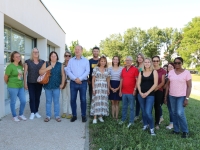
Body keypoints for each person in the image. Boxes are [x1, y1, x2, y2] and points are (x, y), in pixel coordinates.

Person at [165, 57, 192, 138]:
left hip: (181, 96)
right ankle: (176, 130)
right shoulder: (171, 72)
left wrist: (187, 98)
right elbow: (167, 85)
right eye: (175, 63)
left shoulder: (186, 73)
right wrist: (165, 97)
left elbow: (189, 86)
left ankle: (185, 131)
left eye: (179, 63)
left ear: (182, 63)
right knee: (174, 113)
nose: (177, 64)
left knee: (180, 113)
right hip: (172, 96)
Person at [39, 51, 65, 122]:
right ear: (50, 57)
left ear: (57, 57)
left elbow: (63, 75)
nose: (53, 57)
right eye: (52, 56)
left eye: (55, 56)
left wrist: (62, 84)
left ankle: (57, 116)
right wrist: (48, 68)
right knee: (48, 101)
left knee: (56, 101)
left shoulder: (60, 64)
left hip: (56, 86)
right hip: (48, 86)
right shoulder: (46, 63)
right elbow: (40, 72)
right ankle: (48, 116)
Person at [66, 45, 90, 122]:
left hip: (83, 83)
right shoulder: (71, 60)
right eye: (75, 49)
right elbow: (68, 71)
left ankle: (83, 115)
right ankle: (74, 115)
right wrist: (75, 79)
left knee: (83, 99)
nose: (77, 51)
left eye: (78, 49)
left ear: (81, 51)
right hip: (73, 83)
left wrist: (80, 79)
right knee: (73, 99)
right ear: (74, 51)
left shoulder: (86, 60)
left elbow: (87, 71)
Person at [137, 58, 158, 136]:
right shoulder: (141, 72)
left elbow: (155, 84)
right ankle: (145, 125)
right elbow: (138, 83)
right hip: (141, 94)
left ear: (151, 63)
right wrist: (140, 92)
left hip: (150, 95)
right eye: (145, 62)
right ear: (143, 63)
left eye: (148, 62)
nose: (147, 63)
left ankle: (152, 128)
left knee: (148, 112)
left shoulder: (154, 72)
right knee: (143, 111)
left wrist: (147, 93)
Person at [4, 51, 27, 121]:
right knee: (13, 101)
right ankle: (14, 116)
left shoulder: (20, 66)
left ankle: (20, 114)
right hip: (12, 86)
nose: (18, 58)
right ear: (13, 58)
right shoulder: (10, 66)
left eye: (19, 56)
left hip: (20, 86)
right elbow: (5, 77)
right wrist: (9, 84)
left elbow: (21, 75)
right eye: (16, 57)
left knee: (23, 101)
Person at [24, 48, 44, 120]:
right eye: (34, 52)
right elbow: (25, 73)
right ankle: (32, 112)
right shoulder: (27, 62)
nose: (36, 53)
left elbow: (45, 71)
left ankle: (36, 112)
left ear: (38, 53)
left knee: (37, 98)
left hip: (39, 83)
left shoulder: (42, 62)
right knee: (32, 98)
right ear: (32, 53)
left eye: (37, 52)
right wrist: (25, 83)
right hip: (31, 82)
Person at [119, 56, 139, 128]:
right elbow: (121, 80)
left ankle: (131, 121)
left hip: (131, 92)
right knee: (124, 107)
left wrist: (135, 89)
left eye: (129, 60)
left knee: (131, 107)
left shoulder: (135, 69)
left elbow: (137, 81)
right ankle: (123, 119)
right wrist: (120, 90)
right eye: (126, 60)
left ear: (131, 61)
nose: (127, 62)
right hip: (124, 92)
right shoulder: (123, 69)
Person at [90, 56, 110, 123]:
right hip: (97, 86)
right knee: (96, 101)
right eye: (102, 61)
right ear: (99, 61)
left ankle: (100, 116)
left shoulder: (107, 69)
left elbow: (108, 80)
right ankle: (95, 117)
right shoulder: (96, 68)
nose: (103, 62)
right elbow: (93, 79)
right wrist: (93, 88)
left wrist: (108, 89)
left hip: (104, 87)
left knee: (102, 101)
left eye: (104, 61)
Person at [152, 56, 166, 129]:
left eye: (157, 61)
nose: (155, 62)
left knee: (157, 107)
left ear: (159, 61)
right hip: (150, 91)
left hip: (159, 91)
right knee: (149, 107)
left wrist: (156, 88)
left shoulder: (162, 70)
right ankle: (148, 122)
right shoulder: (149, 69)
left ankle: (157, 123)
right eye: (154, 61)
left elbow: (163, 82)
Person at [108, 56, 123, 120]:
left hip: (118, 84)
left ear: (119, 61)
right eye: (114, 59)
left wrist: (118, 88)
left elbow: (122, 79)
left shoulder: (122, 68)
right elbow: (108, 79)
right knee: (112, 102)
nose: (116, 61)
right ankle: (113, 117)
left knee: (117, 102)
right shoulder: (109, 68)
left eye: (117, 59)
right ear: (113, 60)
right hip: (111, 84)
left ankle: (116, 117)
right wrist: (110, 88)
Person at [61, 51, 72, 119]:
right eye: (66, 55)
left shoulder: (73, 64)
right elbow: (61, 74)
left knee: (70, 98)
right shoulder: (62, 64)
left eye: (69, 56)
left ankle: (70, 112)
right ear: (64, 56)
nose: (67, 57)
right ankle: (64, 112)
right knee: (64, 98)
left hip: (71, 83)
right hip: (64, 83)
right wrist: (61, 83)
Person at [163, 63, 174, 129]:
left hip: (174, 95)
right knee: (170, 110)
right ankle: (172, 123)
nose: (169, 68)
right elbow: (166, 87)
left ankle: (172, 124)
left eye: (171, 67)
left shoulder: (173, 75)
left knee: (172, 110)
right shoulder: (167, 75)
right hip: (168, 94)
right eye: (168, 67)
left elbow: (165, 86)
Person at [134, 53, 145, 121]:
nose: (139, 58)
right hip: (136, 85)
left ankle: (143, 116)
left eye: (141, 57)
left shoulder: (145, 66)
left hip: (142, 85)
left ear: (143, 58)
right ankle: (137, 115)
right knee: (137, 101)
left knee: (142, 102)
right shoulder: (136, 66)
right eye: (138, 57)